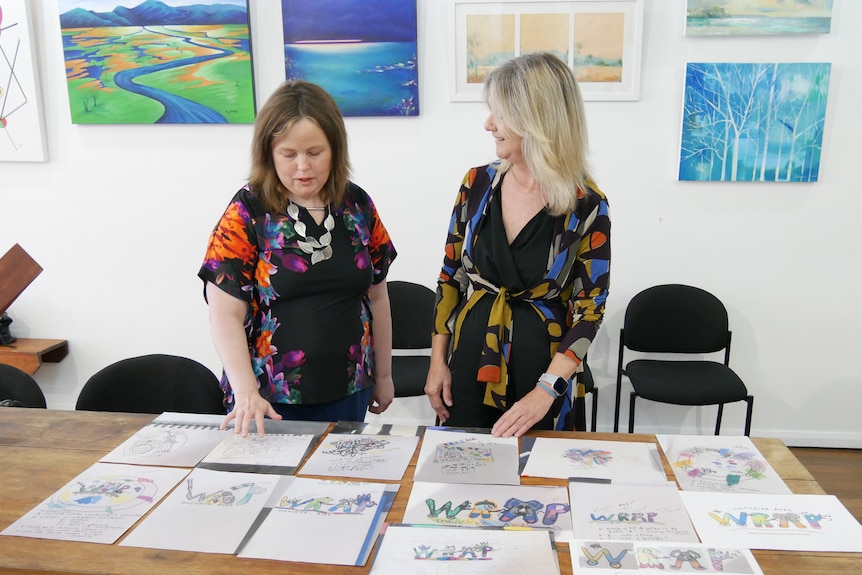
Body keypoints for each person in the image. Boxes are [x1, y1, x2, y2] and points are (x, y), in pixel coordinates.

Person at [425, 52, 611, 438]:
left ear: (537, 118)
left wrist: (546, 391)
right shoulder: (475, 184)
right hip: (468, 363)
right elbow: (450, 278)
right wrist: (437, 362)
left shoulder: (586, 204)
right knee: (462, 479)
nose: (489, 124)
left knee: (539, 486)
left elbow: (589, 312)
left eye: (501, 113)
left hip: (542, 375)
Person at [199, 80, 397, 437]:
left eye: (315, 152)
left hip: (351, 387)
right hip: (269, 400)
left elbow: (378, 297)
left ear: (335, 150)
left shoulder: (357, 205)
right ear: (268, 153)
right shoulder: (248, 211)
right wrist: (245, 393)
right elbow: (224, 314)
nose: (303, 166)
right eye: (288, 154)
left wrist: (383, 375)